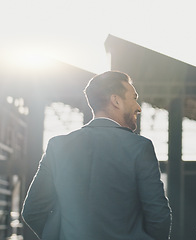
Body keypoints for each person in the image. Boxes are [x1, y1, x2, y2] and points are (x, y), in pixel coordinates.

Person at [22, 71, 172, 240]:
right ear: (116, 101)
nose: (138, 107)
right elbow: (158, 216)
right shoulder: (139, 147)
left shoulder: (57, 146)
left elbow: (33, 211)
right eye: (134, 98)